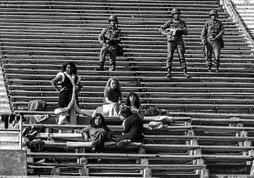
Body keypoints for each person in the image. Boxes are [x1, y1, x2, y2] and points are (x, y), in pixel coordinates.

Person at [159, 8, 190, 78]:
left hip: (179, 41)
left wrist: (181, 30)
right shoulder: (169, 22)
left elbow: (186, 32)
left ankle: (185, 71)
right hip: (171, 41)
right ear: (173, 15)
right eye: (175, 14)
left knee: (182, 56)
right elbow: (161, 28)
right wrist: (166, 33)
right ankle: (169, 72)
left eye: (178, 14)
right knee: (169, 56)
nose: (177, 15)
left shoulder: (182, 23)